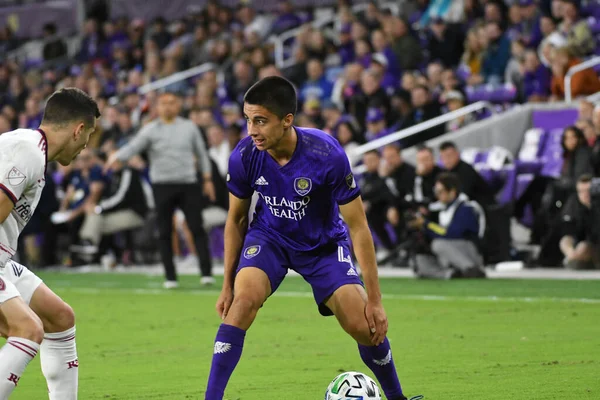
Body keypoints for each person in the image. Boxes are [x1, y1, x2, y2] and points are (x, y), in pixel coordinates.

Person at [204, 76, 417, 400]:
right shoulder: (245, 154)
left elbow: (359, 227)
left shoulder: (326, 153)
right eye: (248, 120)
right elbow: (236, 219)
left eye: (260, 121)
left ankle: (397, 398)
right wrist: (227, 283)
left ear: (287, 120)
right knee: (242, 304)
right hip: (270, 239)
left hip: (323, 245)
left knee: (365, 328)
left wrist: (375, 300)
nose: (251, 130)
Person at [0, 87, 100, 399]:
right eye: (89, 136)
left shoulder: (31, 149)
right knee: (28, 329)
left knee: (59, 317)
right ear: (78, 129)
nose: (86, 147)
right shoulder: (27, 151)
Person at [105, 90, 216, 288]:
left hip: (188, 183)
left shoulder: (190, 127)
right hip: (162, 185)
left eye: (172, 102)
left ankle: (206, 273)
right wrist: (115, 158)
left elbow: (202, 154)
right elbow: (133, 147)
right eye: (163, 103)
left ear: (178, 105)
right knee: (164, 230)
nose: (168, 106)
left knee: (196, 227)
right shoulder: (150, 129)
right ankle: (170, 276)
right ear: (157, 107)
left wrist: (207, 179)